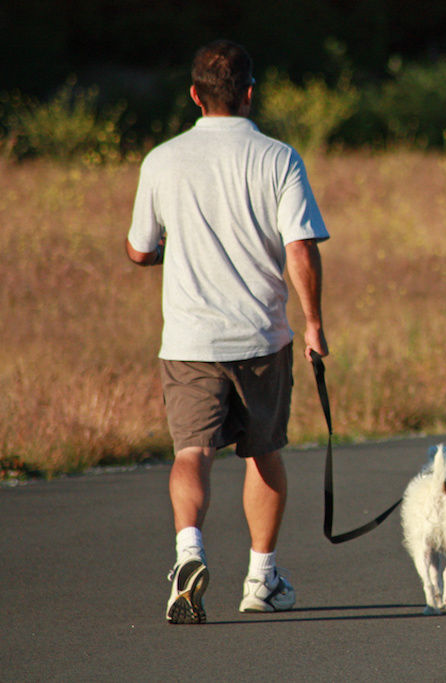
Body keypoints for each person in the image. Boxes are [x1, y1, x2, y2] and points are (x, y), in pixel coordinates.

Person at [125, 39, 329, 624]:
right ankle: (261, 579)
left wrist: (176, 247)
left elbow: (139, 251)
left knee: (192, 451)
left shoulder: (161, 160)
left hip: (189, 341)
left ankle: (188, 549)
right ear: (248, 93)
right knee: (262, 452)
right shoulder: (278, 158)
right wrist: (313, 324)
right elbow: (300, 248)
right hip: (262, 337)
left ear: (194, 95)